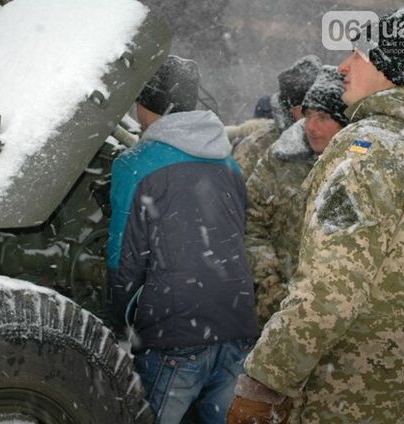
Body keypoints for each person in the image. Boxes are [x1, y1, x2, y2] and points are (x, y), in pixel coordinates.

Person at [227, 5, 404, 423]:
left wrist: (264, 380)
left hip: (354, 393)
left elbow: (332, 288)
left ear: (389, 66)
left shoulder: (371, 149)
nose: (342, 66)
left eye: (358, 54)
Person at [106, 55, 259, 424]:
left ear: (144, 104)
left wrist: (118, 328)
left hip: (175, 335)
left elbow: (123, 261)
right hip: (236, 327)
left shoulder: (134, 165)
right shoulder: (228, 163)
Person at [245, 65, 348, 324]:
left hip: (341, 319)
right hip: (275, 312)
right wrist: (272, 290)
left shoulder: (363, 167)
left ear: (345, 121)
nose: (311, 126)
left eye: (323, 117)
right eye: (308, 115)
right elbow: (250, 226)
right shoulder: (279, 161)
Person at [232, 55, 322, 179]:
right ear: (290, 110)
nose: (314, 121)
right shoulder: (256, 148)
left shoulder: (337, 137)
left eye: (322, 113)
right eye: (307, 112)